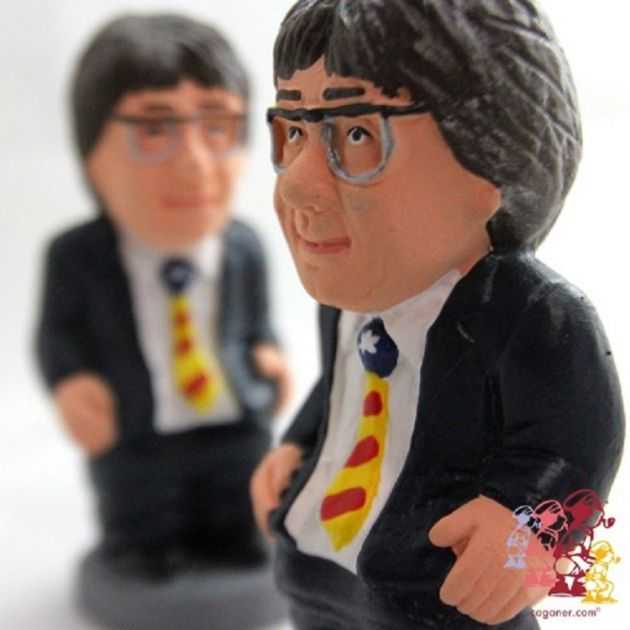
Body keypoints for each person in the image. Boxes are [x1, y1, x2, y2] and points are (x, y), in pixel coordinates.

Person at [250, 1, 625, 628]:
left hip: (440, 594)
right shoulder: (349, 306)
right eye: (293, 132)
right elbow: (343, 392)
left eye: (357, 134)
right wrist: (297, 445)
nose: (295, 184)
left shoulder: (533, 317)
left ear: (490, 156)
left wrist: (530, 533)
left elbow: (575, 445)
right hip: (317, 570)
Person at [35, 13, 290, 579]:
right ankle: (142, 547)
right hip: (135, 427)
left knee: (235, 499)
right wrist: (71, 383)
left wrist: (267, 354)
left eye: (218, 127)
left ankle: (231, 535)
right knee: (141, 508)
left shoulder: (244, 248)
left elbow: (256, 321)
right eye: (155, 129)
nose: (193, 162)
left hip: (232, 416)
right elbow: (58, 335)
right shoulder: (78, 259)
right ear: (92, 150)